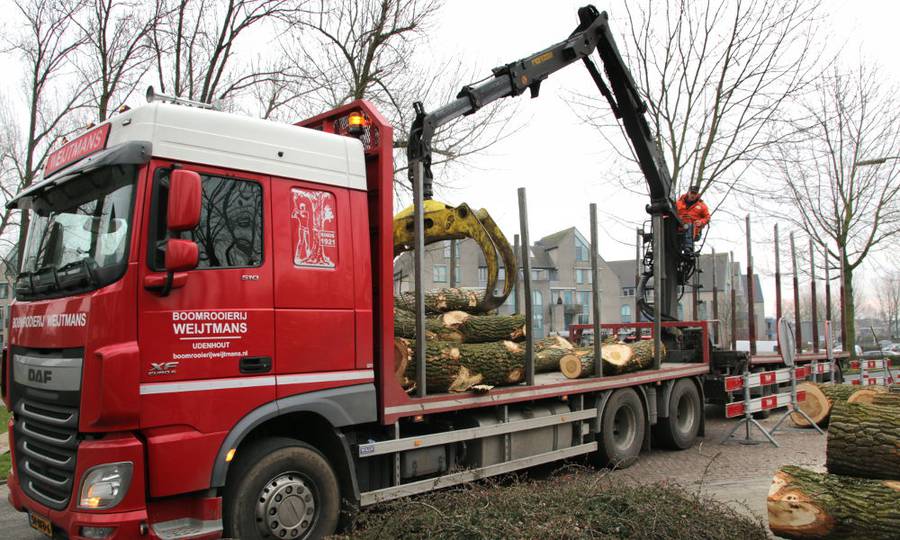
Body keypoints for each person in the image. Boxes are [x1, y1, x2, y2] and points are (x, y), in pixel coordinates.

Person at [676, 188, 710, 255]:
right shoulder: (678, 203)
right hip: (679, 227)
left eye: (695, 194)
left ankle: (688, 247)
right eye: (692, 193)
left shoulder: (702, 206)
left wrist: (701, 222)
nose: (693, 195)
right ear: (688, 192)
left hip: (694, 230)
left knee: (690, 226)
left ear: (697, 195)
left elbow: (707, 217)